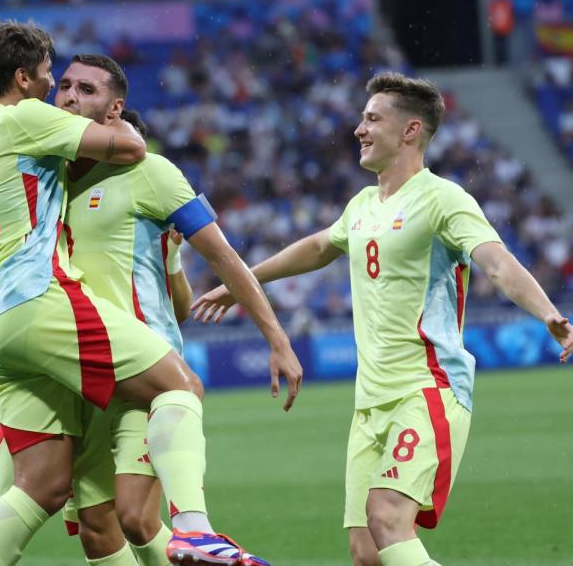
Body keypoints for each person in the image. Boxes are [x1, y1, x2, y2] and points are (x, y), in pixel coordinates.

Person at [0, 19, 302, 566]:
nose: (62, 94)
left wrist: (275, 336)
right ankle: (193, 536)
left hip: (116, 353)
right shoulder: (52, 169)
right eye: (60, 82)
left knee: (135, 517)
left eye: (83, 89)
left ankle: (195, 530)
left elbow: (214, 263)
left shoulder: (149, 172)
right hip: (73, 354)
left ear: (115, 109)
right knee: (90, 522)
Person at [191, 71, 573, 566]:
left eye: (372, 118)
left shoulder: (444, 199)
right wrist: (242, 281)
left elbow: (496, 261)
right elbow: (317, 247)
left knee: (388, 516)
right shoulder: (363, 204)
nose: (358, 128)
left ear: (410, 131)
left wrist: (549, 313)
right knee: (366, 552)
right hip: (369, 401)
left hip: (426, 387)